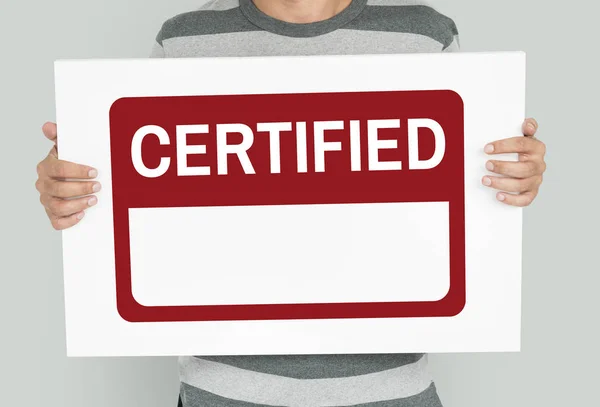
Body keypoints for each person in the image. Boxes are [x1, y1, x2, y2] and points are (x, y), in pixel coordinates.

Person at [35, 1, 547, 406]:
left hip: (389, 391)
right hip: (223, 394)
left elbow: (466, 192)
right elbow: (140, 205)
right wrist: (71, 188)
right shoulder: (186, 39)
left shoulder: (423, 34)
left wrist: (514, 175)